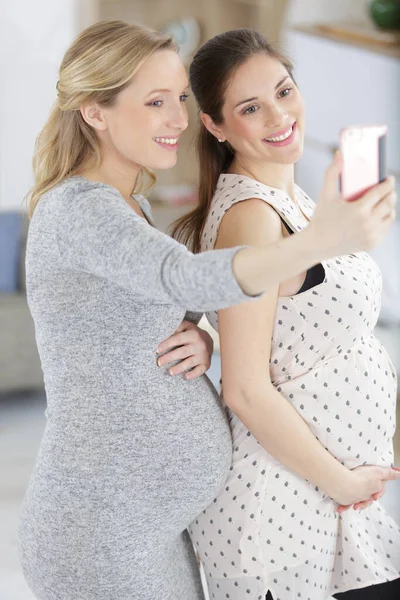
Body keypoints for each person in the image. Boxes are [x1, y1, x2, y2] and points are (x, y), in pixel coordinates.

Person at [19, 21, 397, 600]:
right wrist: (319, 241)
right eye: (154, 102)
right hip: (101, 529)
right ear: (95, 111)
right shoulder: (78, 210)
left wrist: (206, 335)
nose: (176, 119)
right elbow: (186, 276)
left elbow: (155, 306)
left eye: (180, 100)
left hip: (153, 527)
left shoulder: (131, 205)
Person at [170, 28, 400, 600]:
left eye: (284, 90)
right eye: (251, 107)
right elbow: (245, 391)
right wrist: (343, 482)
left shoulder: (291, 198)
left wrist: (212, 333)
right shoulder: (251, 214)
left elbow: (276, 330)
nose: (279, 115)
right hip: (286, 513)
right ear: (216, 127)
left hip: (326, 501)